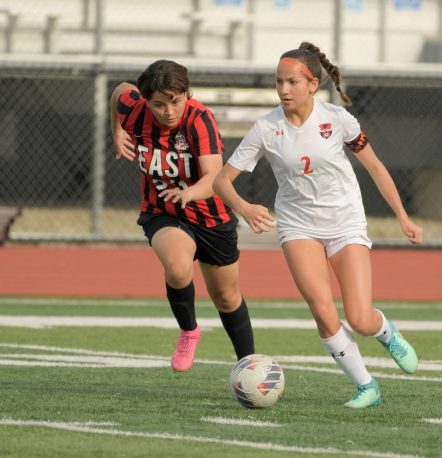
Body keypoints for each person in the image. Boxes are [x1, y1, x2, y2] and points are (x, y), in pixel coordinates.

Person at [213, 42, 424, 408]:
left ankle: (387, 333)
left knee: (359, 317)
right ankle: (366, 387)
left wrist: (403, 217)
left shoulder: (337, 119)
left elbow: (375, 167)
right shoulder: (265, 128)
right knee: (323, 311)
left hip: (344, 222)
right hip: (297, 226)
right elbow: (221, 181)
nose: (283, 90)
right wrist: (244, 208)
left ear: (313, 84)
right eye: (278, 81)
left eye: (292, 82)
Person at [110, 59, 258, 372]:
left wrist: (189, 193)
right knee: (177, 268)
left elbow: (215, 177)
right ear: (146, 101)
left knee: (227, 296)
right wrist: (116, 129)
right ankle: (189, 332)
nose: (168, 111)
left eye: (175, 101)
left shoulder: (198, 119)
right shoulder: (134, 111)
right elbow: (120, 91)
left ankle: (249, 365)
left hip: (210, 216)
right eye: (159, 104)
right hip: (162, 211)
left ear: (187, 94)